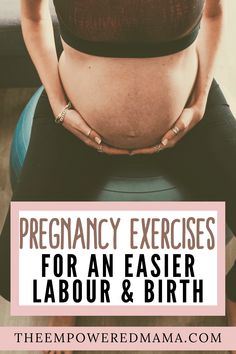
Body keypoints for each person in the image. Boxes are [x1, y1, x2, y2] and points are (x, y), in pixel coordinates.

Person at [0, 0, 235, 353]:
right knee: (15, 268)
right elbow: (32, 17)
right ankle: (65, 303)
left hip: (190, 116)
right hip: (74, 119)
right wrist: (60, 107)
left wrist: (199, 102)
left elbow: (215, 13)